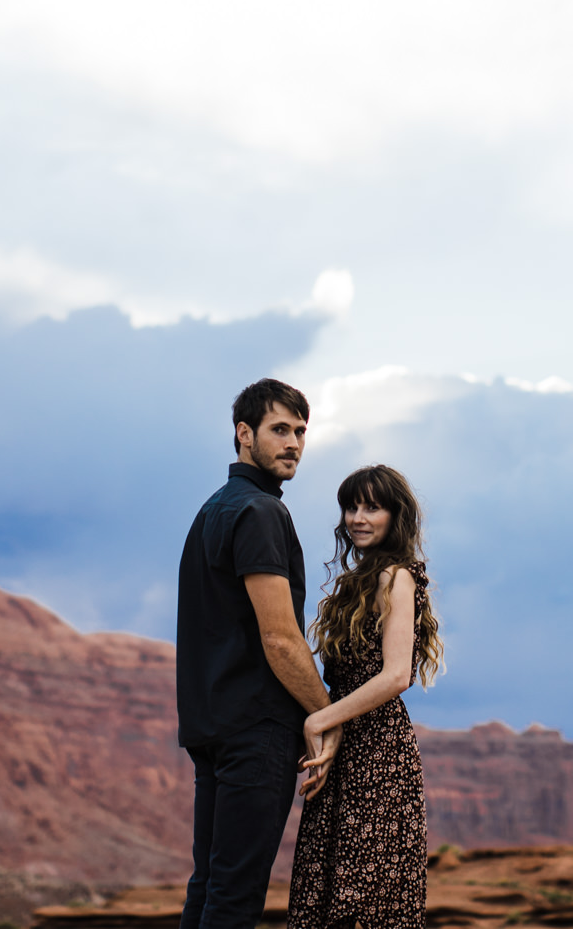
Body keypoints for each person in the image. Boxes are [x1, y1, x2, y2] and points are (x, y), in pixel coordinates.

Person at [177, 379, 340, 929]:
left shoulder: (211, 511)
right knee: (235, 897)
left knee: (209, 887)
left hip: (212, 727)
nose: (293, 442)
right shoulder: (261, 512)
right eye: (279, 429)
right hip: (257, 730)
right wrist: (325, 712)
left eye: (300, 431)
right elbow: (280, 638)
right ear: (244, 435)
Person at [287, 464, 444, 929]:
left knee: (367, 898)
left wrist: (320, 720)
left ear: (396, 516)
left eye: (372, 507)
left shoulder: (398, 577)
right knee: (331, 887)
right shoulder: (359, 579)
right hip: (350, 748)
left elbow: (396, 675)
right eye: (351, 506)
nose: (357, 517)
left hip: (378, 753)